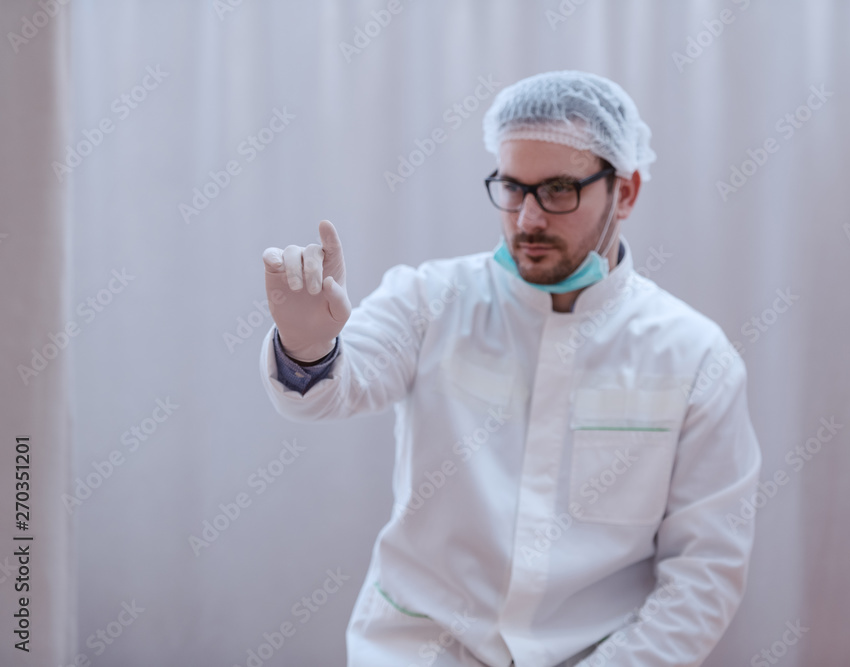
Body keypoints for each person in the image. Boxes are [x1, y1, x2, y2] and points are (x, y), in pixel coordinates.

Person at [259, 70, 762, 667]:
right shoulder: (429, 299)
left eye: (557, 191)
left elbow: (705, 573)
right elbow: (328, 392)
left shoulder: (695, 356)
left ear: (625, 192)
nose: (526, 219)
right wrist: (306, 348)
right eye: (512, 187)